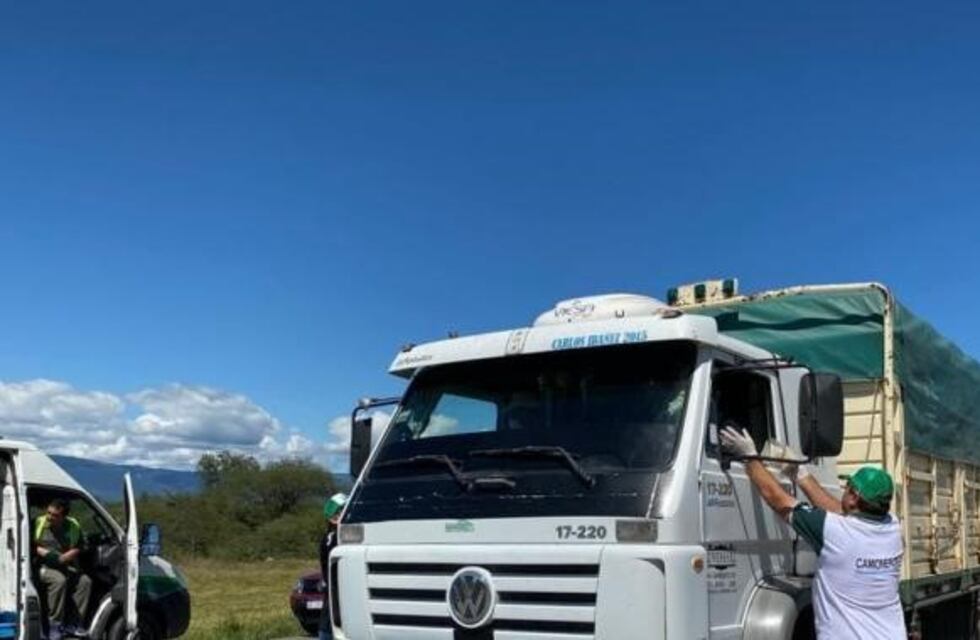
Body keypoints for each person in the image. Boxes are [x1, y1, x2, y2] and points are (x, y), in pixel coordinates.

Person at [720, 426, 907, 639]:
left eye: (847, 487)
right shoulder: (893, 529)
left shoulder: (835, 532)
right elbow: (839, 511)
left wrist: (750, 457)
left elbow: (777, 499)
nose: (843, 490)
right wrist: (801, 474)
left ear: (854, 497)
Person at [34, 498, 91, 639]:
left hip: (64, 564)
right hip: (41, 565)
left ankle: (74, 624)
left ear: (63, 516)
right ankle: (54, 626)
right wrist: (50, 556)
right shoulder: (38, 523)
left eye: (54, 515)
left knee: (85, 581)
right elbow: (29, 544)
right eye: (48, 512)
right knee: (59, 580)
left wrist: (69, 555)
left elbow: (81, 545)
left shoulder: (72, 526)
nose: (49, 517)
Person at [317, 492, 347, 640]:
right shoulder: (334, 538)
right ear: (333, 518)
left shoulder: (330, 538)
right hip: (337, 601)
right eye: (343, 510)